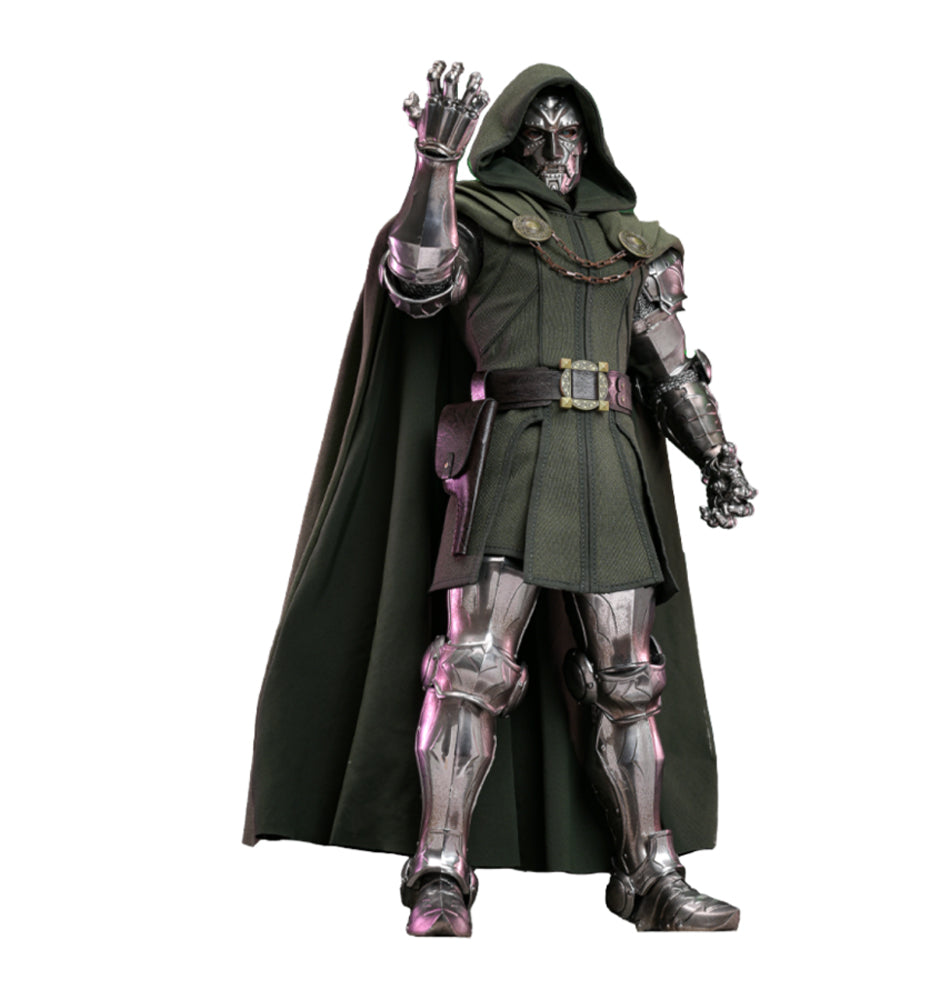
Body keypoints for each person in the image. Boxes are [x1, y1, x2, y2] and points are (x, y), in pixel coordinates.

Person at [243, 62, 756, 938]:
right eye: (539, 134)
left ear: (591, 142)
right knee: (472, 669)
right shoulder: (476, 217)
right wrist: (435, 167)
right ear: (513, 141)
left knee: (630, 683)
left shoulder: (632, 243)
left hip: (609, 465)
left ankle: (651, 874)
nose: (557, 150)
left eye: (571, 134)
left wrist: (718, 457)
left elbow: (669, 366)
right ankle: (440, 869)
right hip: (510, 457)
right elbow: (417, 278)